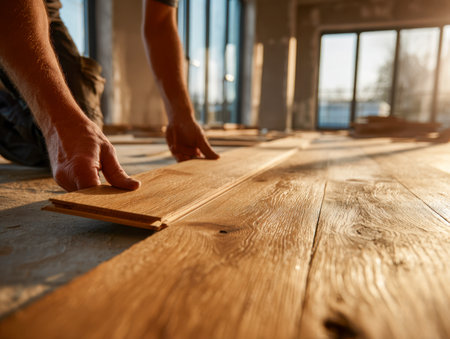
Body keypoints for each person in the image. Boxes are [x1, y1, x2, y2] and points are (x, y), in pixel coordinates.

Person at [0, 0, 219, 192]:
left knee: (77, 154)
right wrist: (57, 124)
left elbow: (160, 23)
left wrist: (182, 115)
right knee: (69, 138)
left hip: (43, 8)